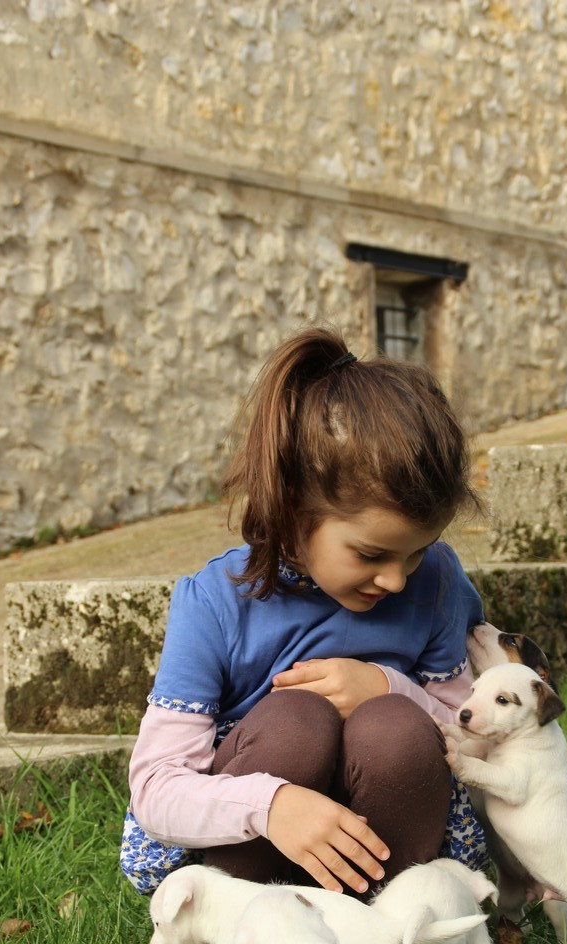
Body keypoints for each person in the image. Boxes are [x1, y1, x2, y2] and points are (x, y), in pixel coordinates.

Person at [120, 326, 487, 900]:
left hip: (389, 853)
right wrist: (271, 806)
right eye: (371, 554)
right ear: (293, 510)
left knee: (394, 726)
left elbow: (480, 740)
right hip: (255, 857)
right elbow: (156, 788)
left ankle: (393, 924)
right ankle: (254, 933)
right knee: (296, 722)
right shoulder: (214, 603)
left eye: (418, 550)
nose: (397, 579)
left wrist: (389, 687)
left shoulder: (435, 579)